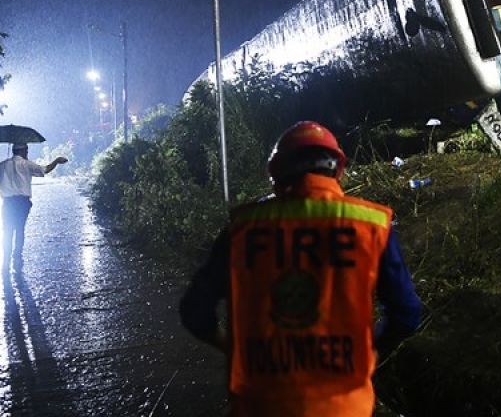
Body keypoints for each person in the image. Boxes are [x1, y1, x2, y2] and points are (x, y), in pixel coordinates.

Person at [180, 121, 422, 417]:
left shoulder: (242, 230)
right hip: (344, 408)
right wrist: (369, 353)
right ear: (338, 170)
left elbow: (194, 312)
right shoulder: (370, 226)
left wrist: (233, 349)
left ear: (276, 174)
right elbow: (407, 315)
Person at [0, 143, 68, 273]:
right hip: (22, 203)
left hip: (7, 203)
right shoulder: (27, 164)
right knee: (20, 230)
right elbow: (45, 170)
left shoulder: (2, 165)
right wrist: (57, 161)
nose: (27, 153)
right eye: (27, 151)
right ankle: (17, 257)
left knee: (7, 231)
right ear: (23, 151)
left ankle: (6, 259)